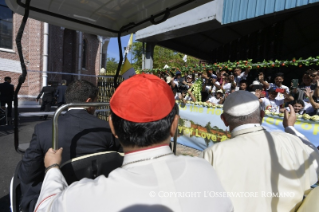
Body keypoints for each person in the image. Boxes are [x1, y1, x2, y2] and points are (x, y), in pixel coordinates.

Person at [34, 74, 234, 212]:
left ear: (112, 126)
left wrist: (52, 168)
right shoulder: (206, 171)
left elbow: (45, 207)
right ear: (174, 125)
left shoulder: (80, 197)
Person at [201, 90, 319, 212]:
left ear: (224, 120)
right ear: (262, 115)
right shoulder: (289, 141)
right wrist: (290, 128)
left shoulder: (212, 154)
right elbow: (314, 157)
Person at [18, 80, 119, 212]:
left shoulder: (43, 129)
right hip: (96, 194)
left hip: (56, 199)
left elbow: (28, 172)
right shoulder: (106, 128)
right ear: (89, 102)